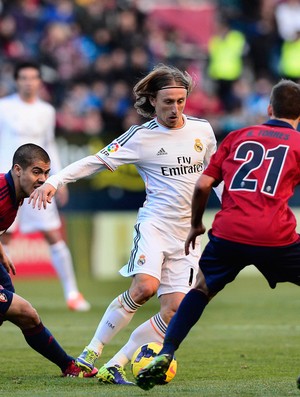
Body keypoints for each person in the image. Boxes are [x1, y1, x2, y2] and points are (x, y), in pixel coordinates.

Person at [29, 64, 222, 385]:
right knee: (145, 288)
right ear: (152, 100)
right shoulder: (141, 136)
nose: (175, 109)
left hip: (189, 234)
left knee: (175, 312)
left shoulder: (203, 131)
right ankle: (92, 351)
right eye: (167, 102)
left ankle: (116, 364)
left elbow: (215, 178)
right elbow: (95, 161)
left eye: (180, 101)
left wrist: (234, 203)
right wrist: (56, 181)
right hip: (155, 226)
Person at [135, 79, 300, 391]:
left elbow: (202, 185)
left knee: (200, 290)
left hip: (228, 233)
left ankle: (166, 352)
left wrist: (197, 224)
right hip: (275, 235)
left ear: (268, 108)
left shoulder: (237, 136)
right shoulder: (297, 144)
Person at [0, 143, 97, 377]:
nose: (43, 179)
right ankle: (69, 365)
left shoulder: (16, 194)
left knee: (21, 313)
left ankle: (67, 366)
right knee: (24, 310)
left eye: (46, 173)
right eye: (36, 172)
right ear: (17, 170)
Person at [0, 60, 90, 312]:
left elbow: (49, 146)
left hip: (38, 184)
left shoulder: (46, 111)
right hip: (8, 182)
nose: (29, 82)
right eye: (24, 78)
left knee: (53, 234)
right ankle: (4, 293)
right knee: (3, 236)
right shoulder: (3, 107)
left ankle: (72, 294)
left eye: (33, 78)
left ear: (40, 82)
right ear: (16, 81)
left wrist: (58, 180)